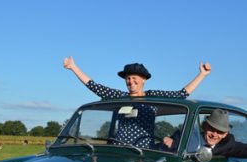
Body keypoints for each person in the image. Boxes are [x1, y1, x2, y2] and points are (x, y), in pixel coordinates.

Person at [63, 56, 211, 147]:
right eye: (128, 78)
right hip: (119, 149)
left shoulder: (153, 97)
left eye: (135, 78)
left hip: (143, 150)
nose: (131, 81)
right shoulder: (121, 97)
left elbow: (181, 95)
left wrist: (202, 75)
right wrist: (73, 67)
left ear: (144, 80)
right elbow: (95, 87)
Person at [164, 109, 247, 158]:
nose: (214, 134)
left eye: (220, 132)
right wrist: (171, 144)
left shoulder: (228, 146)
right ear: (204, 127)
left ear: (225, 134)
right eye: (212, 128)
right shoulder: (186, 138)